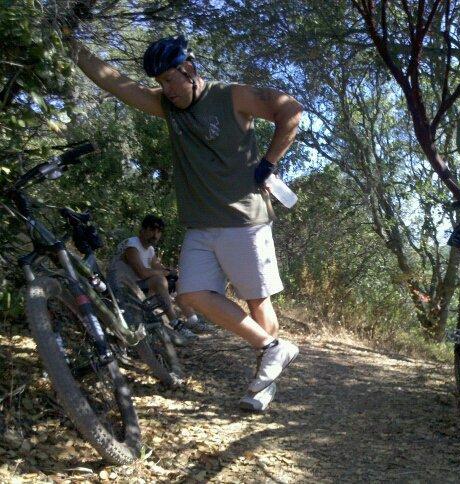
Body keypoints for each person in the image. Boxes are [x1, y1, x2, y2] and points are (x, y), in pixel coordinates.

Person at [69, 34, 301, 411]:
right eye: (159, 83)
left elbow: (290, 109)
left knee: (257, 302)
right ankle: (274, 349)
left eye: (169, 80)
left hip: (244, 221)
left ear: (188, 69)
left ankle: (262, 385)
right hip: (200, 226)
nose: (166, 90)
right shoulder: (168, 106)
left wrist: (270, 162)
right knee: (190, 295)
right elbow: (114, 81)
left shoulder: (232, 96)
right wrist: (69, 41)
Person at [108, 215, 209, 344]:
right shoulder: (132, 245)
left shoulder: (149, 249)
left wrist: (171, 272)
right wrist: (164, 272)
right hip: (120, 287)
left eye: (159, 232)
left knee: (176, 280)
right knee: (159, 280)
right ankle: (176, 323)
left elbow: (158, 267)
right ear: (142, 230)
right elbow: (143, 272)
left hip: (136, 286)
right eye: (152, 230)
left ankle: (192, 320)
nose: (155, 235)